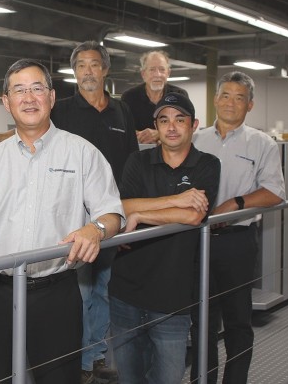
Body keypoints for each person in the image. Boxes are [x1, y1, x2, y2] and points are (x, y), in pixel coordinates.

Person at [0, 41, 139, 384]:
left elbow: (112, 213)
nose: (29, 98)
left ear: (51, 97)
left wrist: (95, 229)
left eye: (37, 89)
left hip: (57, 294)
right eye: (19, 90)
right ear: (6, 102)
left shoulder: (82, 153)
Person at [109, 92, 220, 384]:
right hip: (126, 292)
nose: (171, 127)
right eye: (164, 120)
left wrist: (142, 213)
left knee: (168, 378)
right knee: (129, 378)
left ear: (194, 125)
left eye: (179, 119)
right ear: (155, 126)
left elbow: (193, 216)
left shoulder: (208, 164)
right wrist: (177, 200)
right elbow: (122, 207)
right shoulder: (137, 160)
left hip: (174, 297)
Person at [191, 71, 286, 384]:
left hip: (237, 241)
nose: (231, 103)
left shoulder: (262, 144)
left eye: (239, 97)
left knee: (237, 321)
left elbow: (275, 192)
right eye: (226, 96)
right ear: (215, 99)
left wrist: (235, 204)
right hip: (198, 240)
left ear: (250, 105)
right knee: (201, 321)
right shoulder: (196, 140)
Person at [121, 50, 189, 144]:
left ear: (168, 73)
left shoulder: (180, 96)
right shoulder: (129, 97)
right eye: (152, 70)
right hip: (140, 150)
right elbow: (123, 129)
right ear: (143, 74)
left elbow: (186, 127)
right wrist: (139, 135)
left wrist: (159, 134)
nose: (158, 74)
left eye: (162, 69)